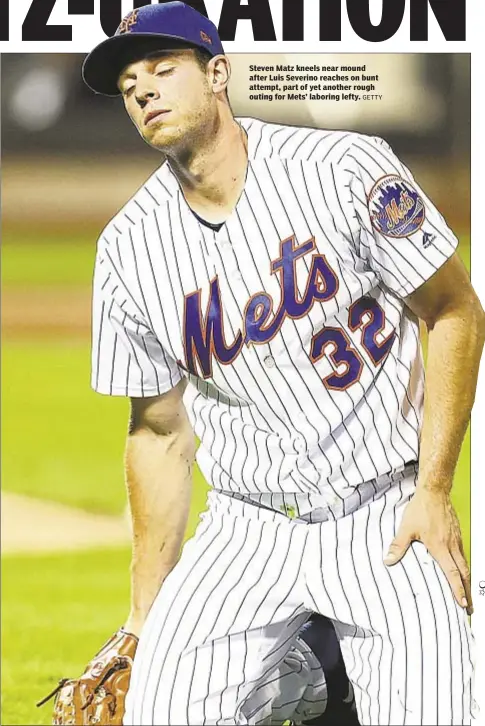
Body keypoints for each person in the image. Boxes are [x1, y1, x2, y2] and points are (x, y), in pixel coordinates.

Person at [82, 3, 482, 724]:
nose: (142, 89)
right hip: (244, 528)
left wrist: (434, 490)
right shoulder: (127, 247)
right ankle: (311, 678)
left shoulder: (339, 167)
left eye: (162, 68)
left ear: (217, 73)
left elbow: (451, 310)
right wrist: (145, 612)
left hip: (381, 516)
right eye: (128, 81)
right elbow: (158, 432)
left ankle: (327, 669)